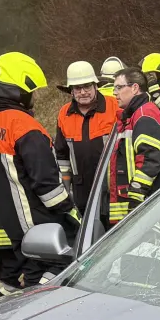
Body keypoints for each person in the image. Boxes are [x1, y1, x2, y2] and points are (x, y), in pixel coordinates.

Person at [0, 53, 80, 296]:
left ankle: (10, 291)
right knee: (65, 258)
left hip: (11, 224)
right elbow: (48, 186)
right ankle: (33, 300)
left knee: (21, 269)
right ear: (19, 91)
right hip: (34, 219)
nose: (34, 97)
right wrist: (70, 209)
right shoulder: (24, 126)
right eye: (31, 91)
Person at [103, 67, 160, 226]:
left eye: (119, 87)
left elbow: (151, 161)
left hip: (148, 206)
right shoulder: (133, 116)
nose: (114, 93)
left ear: (135, 88)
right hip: (144, 206)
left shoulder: (144, 114)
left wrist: (135, 196)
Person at [52, 60, 119, 213]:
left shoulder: (114, 107)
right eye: (78, 88)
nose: (83, 92)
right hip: (81, 190)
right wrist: (66, 186)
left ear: (96, 86)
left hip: (111, 186)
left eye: (87, 86)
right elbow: (62, 154)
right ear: (71, 91)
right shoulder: (64, 114)